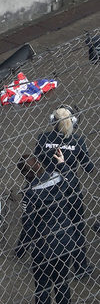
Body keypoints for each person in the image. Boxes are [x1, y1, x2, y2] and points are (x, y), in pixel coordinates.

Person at [15, 150, 75, 304]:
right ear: (40, 165)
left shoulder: (29, 193)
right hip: (65, 241)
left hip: (44, 247)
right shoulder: (59, 178)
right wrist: (63, 163)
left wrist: (20, 249)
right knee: (62, 283)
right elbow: (72, 183)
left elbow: (28, 226)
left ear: (25, 174)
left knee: (42, 286)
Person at [34, 105, 94, 277]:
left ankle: (44, 261)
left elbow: (36, 161)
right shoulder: (78, 141)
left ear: (52, 121)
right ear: (73, 123)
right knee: (76, 226)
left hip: (47, 189)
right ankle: (80, 267)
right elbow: (89, 168)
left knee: (44, 223)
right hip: (71, 187)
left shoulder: (42, 138)